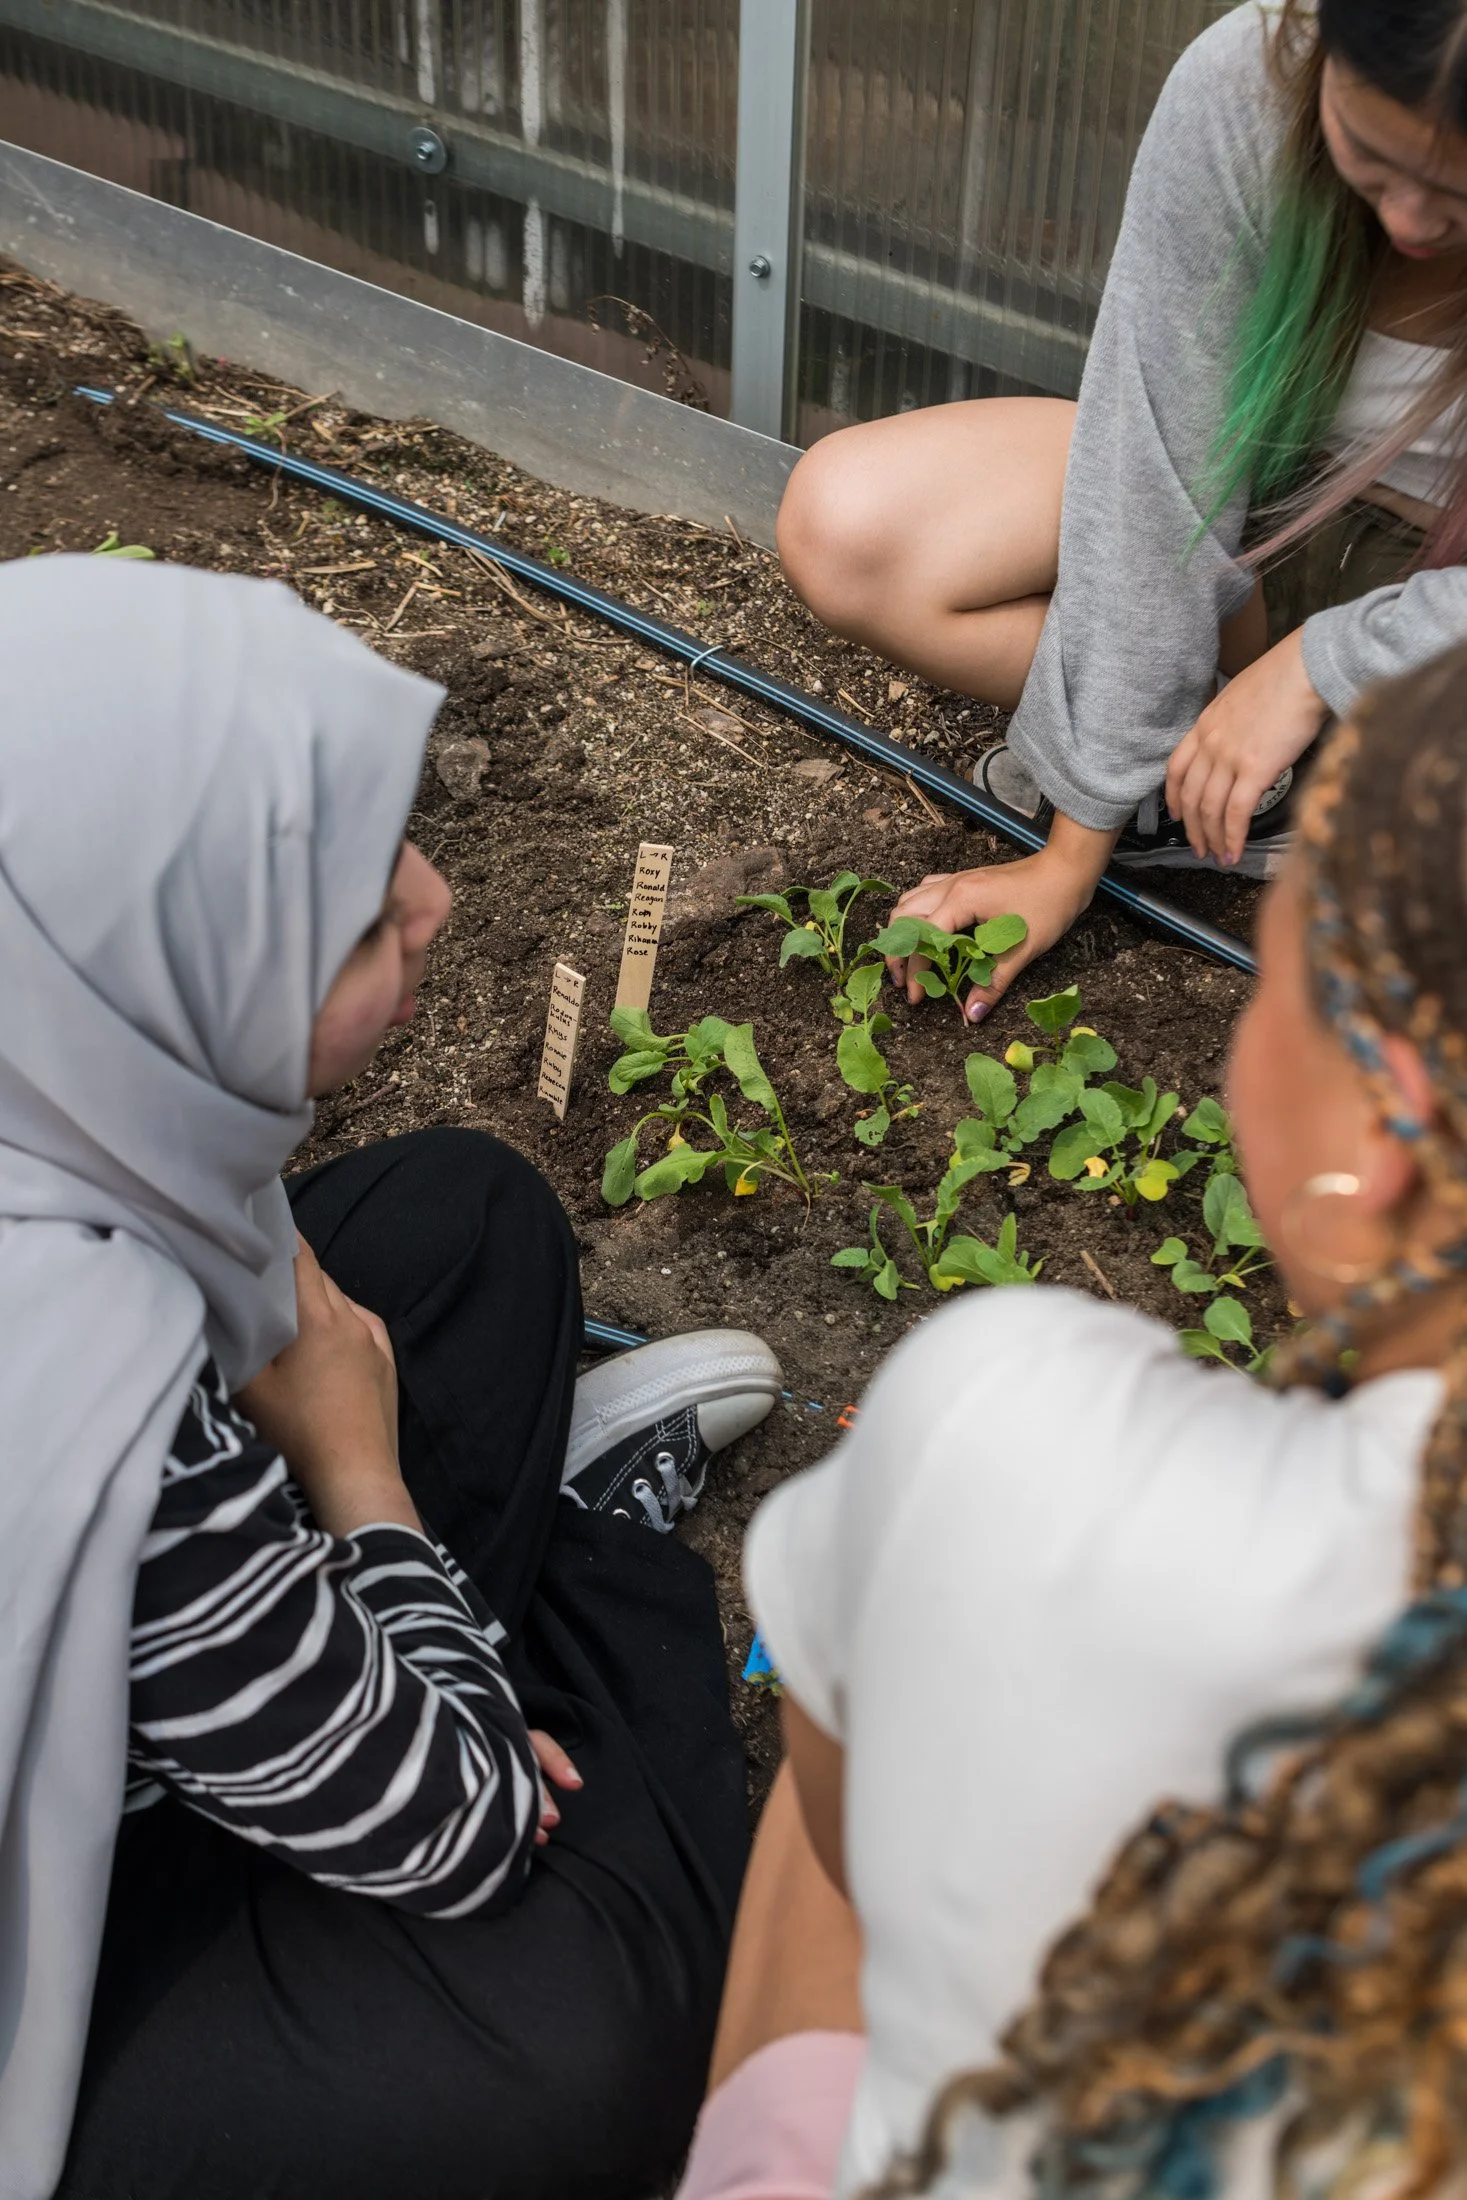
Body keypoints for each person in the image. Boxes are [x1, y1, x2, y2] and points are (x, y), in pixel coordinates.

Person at [0, 552, 785, 2200]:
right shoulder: (81, 1394)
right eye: (359, 919)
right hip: (60, 1912)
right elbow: (458, 1832)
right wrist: (360, 1479)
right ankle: (565, 1610)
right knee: (575, 2032)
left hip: (150, 1663)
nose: (431, 899)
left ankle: (441, 1635)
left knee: (464, 1218)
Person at [674, 636, 1467, 2200]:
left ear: (1379, 1134)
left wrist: (905, 1539)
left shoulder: (1021, 1431)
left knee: (859, 1642)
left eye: (1275, 981)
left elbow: (846, 1841)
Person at [779, 0, 1467, 1023]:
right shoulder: (1249, 85)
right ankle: (1227, 791)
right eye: (1369, 154)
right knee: (850, 526)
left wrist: (1328, 663)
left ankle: (1312, 767)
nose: (1407, 221)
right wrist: (1071, 855)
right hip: (1268, 518)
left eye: (1458, 192)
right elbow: (1157, 475)